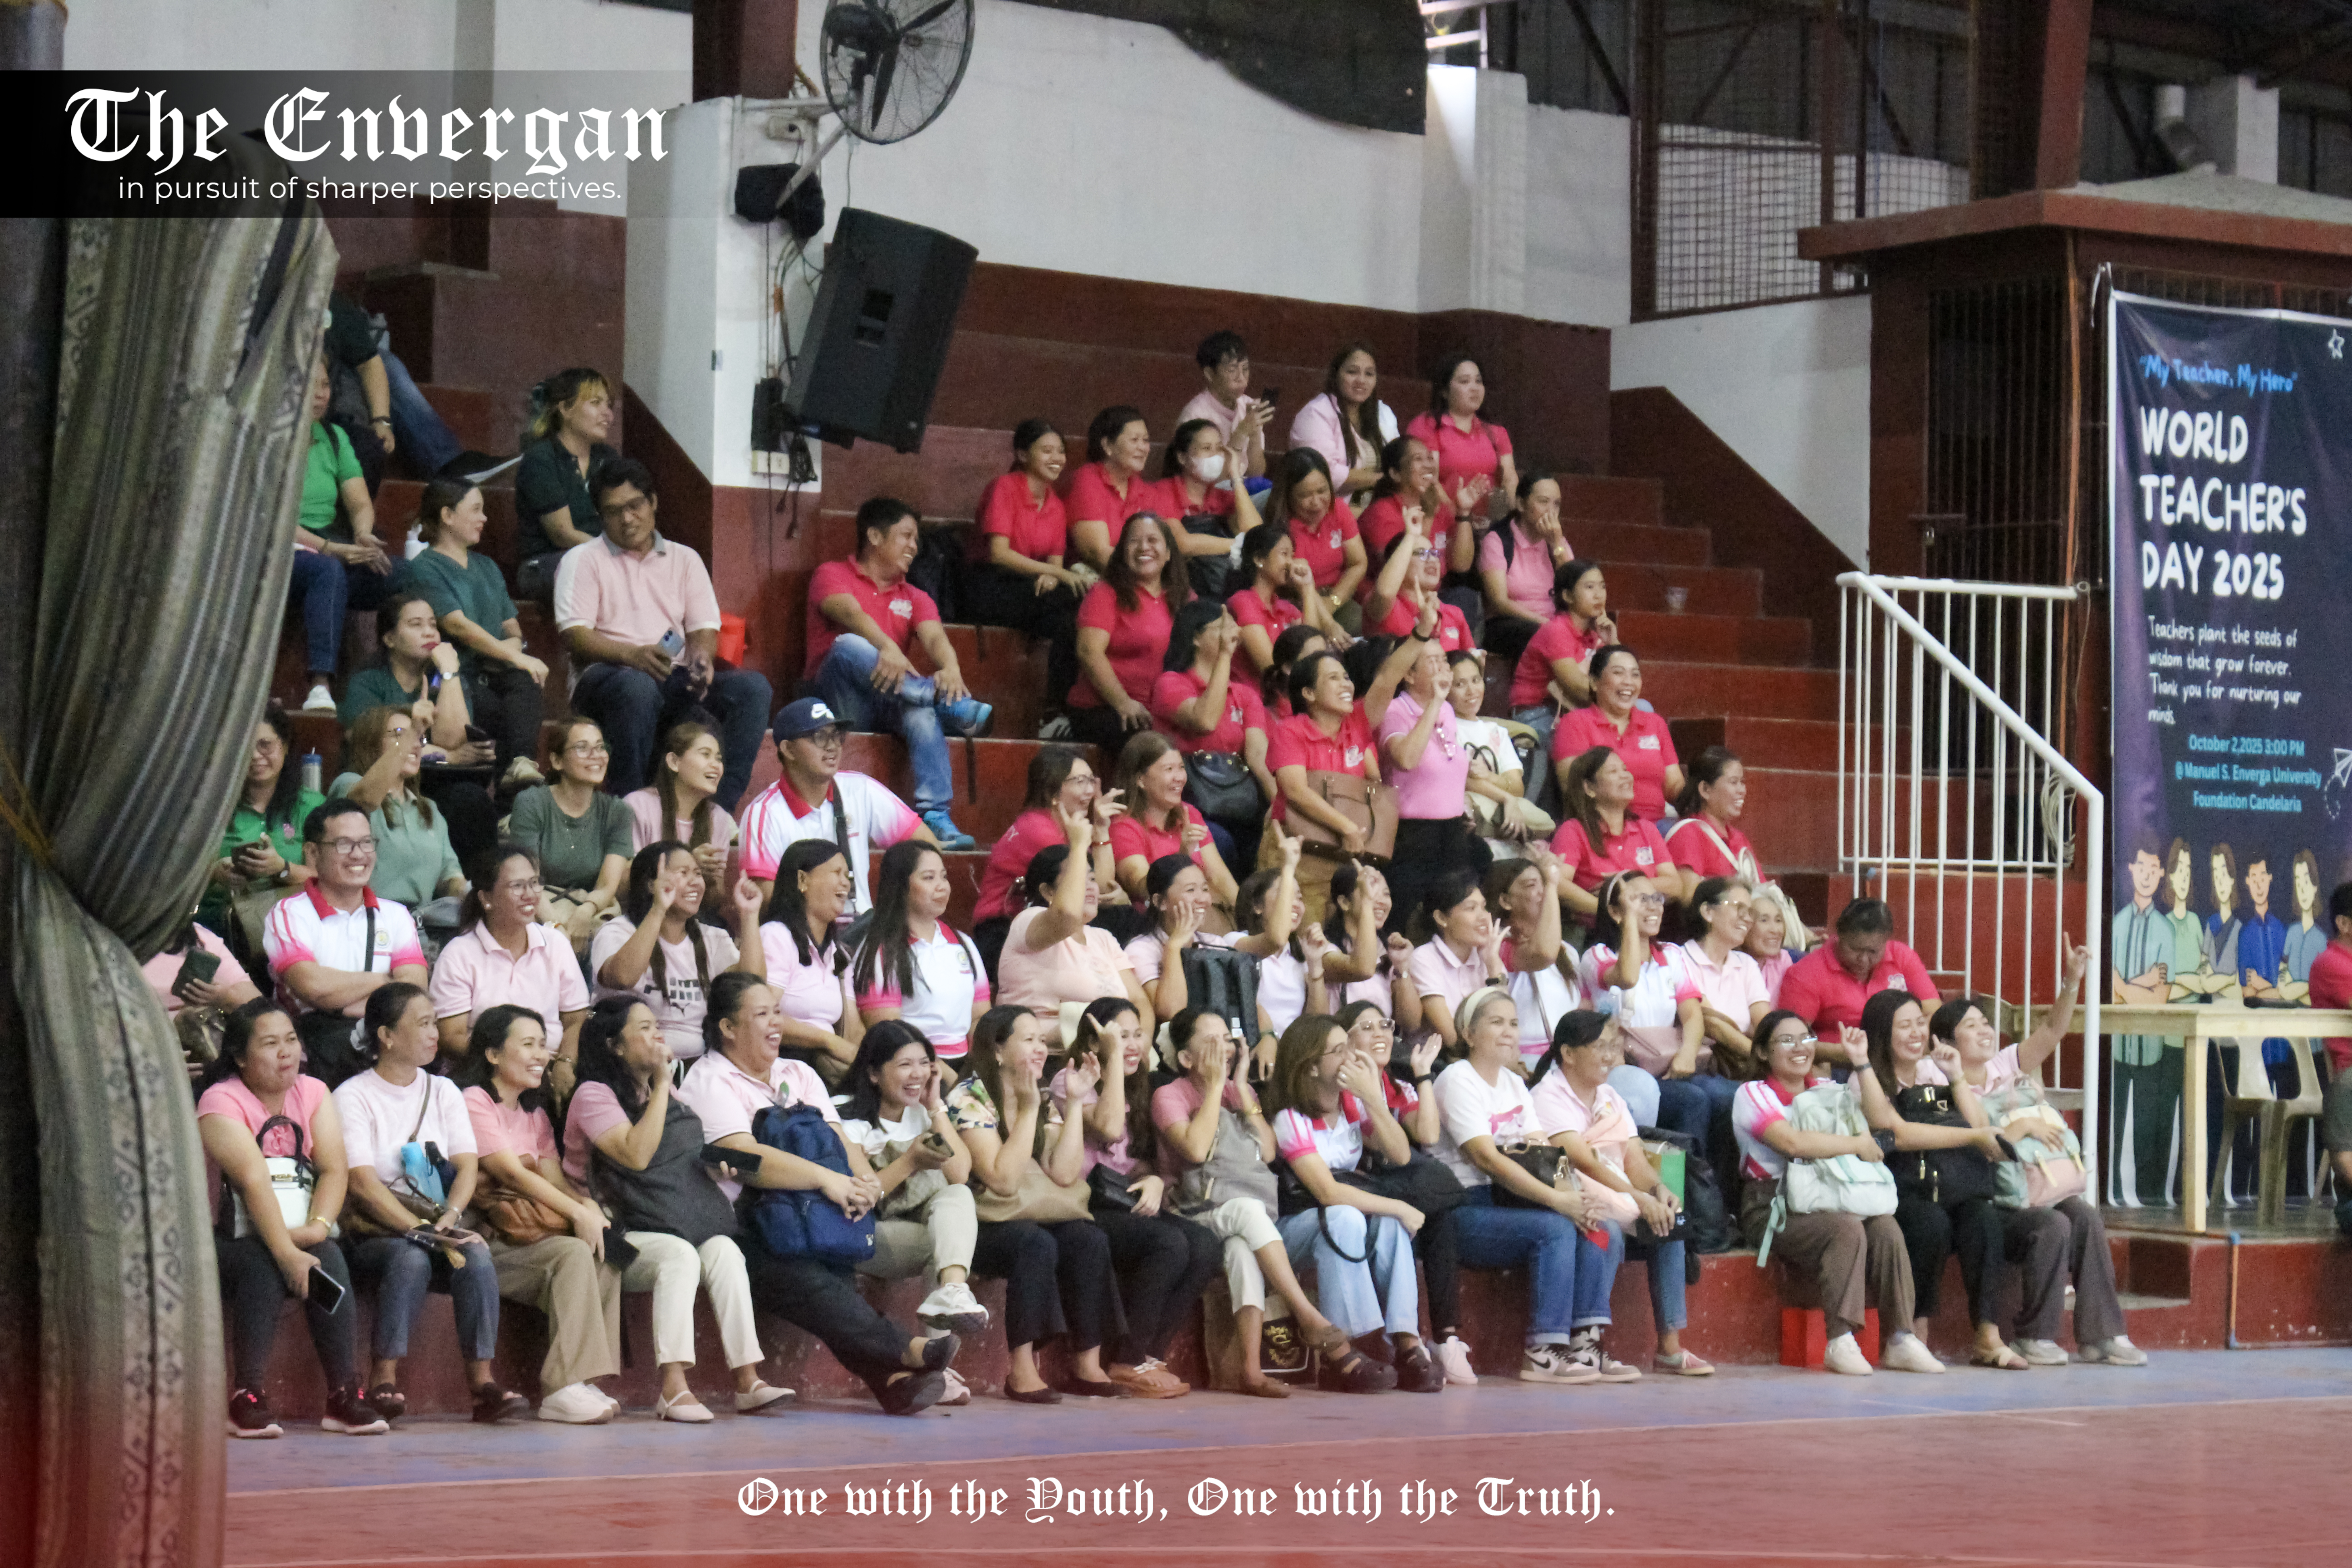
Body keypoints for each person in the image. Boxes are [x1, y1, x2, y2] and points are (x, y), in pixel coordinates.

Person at [681, 974, 959, 1413]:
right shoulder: (709, 1079)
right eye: (761, 1015)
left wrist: (860, 1183)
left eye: (777, 1012)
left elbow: (839, 1143)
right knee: (806, 1279)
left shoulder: (799, 1072)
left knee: (830, 1270)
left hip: (810, 1213)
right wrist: (825, 1180)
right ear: (728, 1028)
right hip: (742, 1223)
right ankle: (906, 1349)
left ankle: (893, 1382)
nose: (776, 1023)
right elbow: (745, 1158)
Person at [564, 998, 794, 1420]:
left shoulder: (658, 1089)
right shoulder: (593, 1094)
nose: (659, 1036)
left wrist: (710, 1166)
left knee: (725, 1249)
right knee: (679, 1255)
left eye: (658, 1027)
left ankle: (748, 1379)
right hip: (613, 1231)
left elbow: (669, 1158)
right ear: (615, 1046)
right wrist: (661, 1082)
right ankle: (673, 1388)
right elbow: (636, 1156)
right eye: (646, 1029)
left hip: (665, 1215)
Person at [1151, 1009, 1400, 1393]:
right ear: (1186, 1058)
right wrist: (1216, 1088)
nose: (1226, 1048)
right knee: (1247, 1213)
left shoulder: (1243, 1092)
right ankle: (1307, 1315)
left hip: (1242, 1219)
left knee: (1241, 1250)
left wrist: (1238, 1085)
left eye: (1227, 1038)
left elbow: (1267, 1152)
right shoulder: (1168, 1095)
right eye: (1211, 1042)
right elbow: (1196, 1151)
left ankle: (1250, 1371)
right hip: (1193, 1212)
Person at [1926, 955, 2145, 1367]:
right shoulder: (1937, 1078)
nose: (1985, 1031)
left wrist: (2072, 980)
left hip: (2032, 1187)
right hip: (1990, 1202)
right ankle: (2034, 1336)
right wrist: (2021, 1124)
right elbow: (1978, 1143)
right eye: (1971, 1026)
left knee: (2084, 1215)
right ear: (1947, 1042)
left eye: (1986, 1023)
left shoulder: (2003, 1064)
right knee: (2054, 1224)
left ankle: (2103, 1335)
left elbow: (2052, 1030)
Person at [333, 983, 530, 1423]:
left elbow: (466, 1167)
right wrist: (415, 1229)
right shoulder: (353, 1095)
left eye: (434, 1021)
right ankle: (383, 1379)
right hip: (378, 1230)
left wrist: (452, 1218)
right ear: (386, 1036)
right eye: (422, 1023)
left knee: (475, 1254)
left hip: (435, 1225)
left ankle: (483, 1385)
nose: (434, 1032)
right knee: (411, 1259)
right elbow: (362, 1183)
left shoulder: (443, 1091)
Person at [199, 1000, 387, 1438]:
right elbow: (252, 1179)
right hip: (224, 1236)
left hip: (298, 1226)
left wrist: (319, 1227)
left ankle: (344, 1393)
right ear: (241, 1057)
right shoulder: (220, 1101)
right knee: (260, 1264)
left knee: (329, 1256)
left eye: (290, 1040)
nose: (286, 1052)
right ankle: (246, 1395)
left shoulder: (313, 1092)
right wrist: (285, 1252)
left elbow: (334, 1169)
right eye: (270, 1044)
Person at [1433, 987, 1631, 1382]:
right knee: (1557, 1228)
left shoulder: (1512, 1083)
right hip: (1465, 1208)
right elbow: (1486, 1159)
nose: (1509, 1032)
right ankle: (1544, 1351)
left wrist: (1573, 1197)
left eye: (1514, 1023)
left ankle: (1585, 1345)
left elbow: (1545, 1153)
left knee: (1603, 1228)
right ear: (1469, 1034)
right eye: (1496, 1023)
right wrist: (1561, 1205)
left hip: (1514, 1200)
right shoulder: (1457, 1079)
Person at [1730, 1010, 1941, 1376]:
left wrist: (1860, 1063)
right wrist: (1855, 1144)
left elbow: (1879, 1122)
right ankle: (1841, 1339)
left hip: (1833, 1194)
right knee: (1845, 1229)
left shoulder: (1828, 1090)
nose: (1800, 1048)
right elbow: (1793, 1142)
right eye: (1786, 1041)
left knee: (1887, 1229)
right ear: (1763, 1052)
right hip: (1773, 1205)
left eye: (1807, 1038)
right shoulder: (1753, 1094)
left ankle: (1902, 1338)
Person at [1267, 1010, 1475, 1383]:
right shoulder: (1290, 1118)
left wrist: (1372, 1099)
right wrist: (1399, 1205)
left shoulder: (1350, 1108)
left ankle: (1407, 1342)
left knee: (1386, 1224)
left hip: (1338, 1218)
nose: (1350, 1055)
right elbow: (1327, 1193)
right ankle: (1340, 1350)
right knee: (1347, 1216)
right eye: (1338, 1050)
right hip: (1294, 1227)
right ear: (1312, 1067)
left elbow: (1401, 1155)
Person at [555, 457, 772, 812]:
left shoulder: (685, 559)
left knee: (752, 689)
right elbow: (575, 636)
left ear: (653, 502)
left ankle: (717, 810)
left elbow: (704, 627)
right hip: (607, 677)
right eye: (613, 512)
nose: (626, 519)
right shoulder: (583, 560)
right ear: (600, 516)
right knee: (637, 686)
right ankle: (631, 809)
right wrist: (632, 656)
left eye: (634, 506)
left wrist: (702, 658)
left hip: (671, 675)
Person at [451, 1005, 625, 1423]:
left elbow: (554, 1181)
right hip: (491, 1240)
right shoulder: (474, 1101)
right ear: (493, 1054)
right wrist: (575, 1213)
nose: (541, 1055)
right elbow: (508, 1171)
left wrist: (587, 1208)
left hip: (531, 1235)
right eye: (527, 1044)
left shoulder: (536, 1113)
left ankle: (582, 1377)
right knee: (572, 1253)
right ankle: (561, 1387)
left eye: (543, 1045)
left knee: (606, 1247)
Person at [947, 1005, 1129, 1400]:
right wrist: (1029, 1110)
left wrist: (1077, 1103)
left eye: (1043, 1041)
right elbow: (1002, 1181)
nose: (1040, 1049)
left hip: (1026, 1214)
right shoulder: (969, 1097)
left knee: (1088, 1239)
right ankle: (1023, 1369)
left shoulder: (1042, 1096)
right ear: (997, 1050)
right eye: (1028, 1040)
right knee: (1036, 1244)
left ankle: (1087, 1364)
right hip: (985, 1223)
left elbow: (1064, 1174)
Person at [1531, 1013, 1713, 1375]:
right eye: (1600, 1047)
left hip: (1620, 1191)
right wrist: (1638, 1198)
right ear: (1568, 1053)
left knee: (1669, 1222)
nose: (1611, 1056)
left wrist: (1658, 1191)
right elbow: (1583, 1161)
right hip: (1574, 1191)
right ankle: (1587, 1343)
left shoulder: (1611, 1096)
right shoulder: (1547, 1096)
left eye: (1613, 1047)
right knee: (1605, 1231)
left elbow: (1633, 1158)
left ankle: (1669, 1349)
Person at [1857, 989, 2031, 1370]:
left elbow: (1984, 1130)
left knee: (1983, 1219)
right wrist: (1970, 1138)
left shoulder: (1935, 1070)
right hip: (1900, 1188)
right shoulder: (1867, 1078)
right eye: (1905, 1025)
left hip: (1952, 1183)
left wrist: (1955, 1079)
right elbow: (1897, 1133)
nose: (1918, 1032)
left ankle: (1988, 1337)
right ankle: (1914, 1335)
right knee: (1929, 1223)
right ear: (1882, 1034)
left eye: (1921, 1022)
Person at [806, 497, 993, 848]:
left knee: (919, 710)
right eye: (906, 536)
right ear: (874, 537)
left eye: (916, 539)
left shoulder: (915, 595)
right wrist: (887, 646)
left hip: (893, 697)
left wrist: (950, 667)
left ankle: (936, 816)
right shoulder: (831, 574)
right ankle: (938, 700)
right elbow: (850, 614)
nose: (915, 546)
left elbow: (935, 636)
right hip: (843, 704)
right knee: (847, 645)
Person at [836, 1024, 991, 1341]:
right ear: (874, 1074)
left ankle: (953, 1293)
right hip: (864, 1231)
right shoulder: (844, 1117)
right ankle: (938, 1362)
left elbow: (960, 1174)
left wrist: (935, 1106)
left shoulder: (924, 1112)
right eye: (905, 1065)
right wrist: (909, 1161)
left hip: (915, 1229)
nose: (917, 1074)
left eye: (924, 1064)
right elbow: (867, 1196)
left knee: (958, 1197)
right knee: (945, 1247)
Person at [262, 801, 431, 1081]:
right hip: (313, 1057)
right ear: (313, 853)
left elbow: (413, 992)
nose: (359, 855)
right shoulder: (288, 913)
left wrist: (340, 998)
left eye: (367, 843)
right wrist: (384, 981)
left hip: (385, 1048)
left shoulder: (396, 915)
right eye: (344, 844)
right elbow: (313, 987)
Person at [406, 475, 549, 791]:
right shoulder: (426, 567)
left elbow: (512, 628)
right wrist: (510, 654)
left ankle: (521, 767)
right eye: (476, 510)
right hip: (456, 675)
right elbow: (456, 625)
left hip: (494, 669)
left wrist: (510, 654)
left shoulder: (487, 566)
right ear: (447, 515)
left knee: (526, 679)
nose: (484, 518)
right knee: (499, 707)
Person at [335, 595, 499, 863]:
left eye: (433, 625)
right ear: (389, 639)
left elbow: (452, 738)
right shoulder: (368, 683)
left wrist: (449, 671)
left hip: (431, 781)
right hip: (379, 781)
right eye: (415, 624)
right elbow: (373, 743)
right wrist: (450, 756)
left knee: (471, 800)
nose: (429, 632)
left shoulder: (447, 680)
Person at [739, 696, 932, 919]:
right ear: (789, 750)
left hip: (861, 932)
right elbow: (764, 896)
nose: (833, 747)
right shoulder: (764, 813)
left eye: (836, 736)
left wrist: (893, 912)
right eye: (819, 737)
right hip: (800, 938)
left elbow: (926, 845)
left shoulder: (861, 789)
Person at [590, 842, 766, 1063]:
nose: (695, 882)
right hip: (628, 1064)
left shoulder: (712, 938)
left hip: (699, 1063)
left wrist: (749, 915)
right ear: (650, 884)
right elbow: (623, 978)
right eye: (683, 873)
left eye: (698, 874)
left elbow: (752, 989)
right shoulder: (618, 931)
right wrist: (658, 909)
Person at [289, 355, 395, 715]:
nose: (321, 394)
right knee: (328, 571)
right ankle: (321, 684)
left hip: (327, 542)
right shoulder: (271, 438)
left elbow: (360, 503)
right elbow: (274, 517)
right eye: (311, 384)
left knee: (401, 575)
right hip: (280, 549)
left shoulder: (333, 437)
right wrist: (330, 549)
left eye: (325, 385)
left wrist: (363, 534)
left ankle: (397, 683)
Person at [429, 843, 590, 1077]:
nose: (530, 894)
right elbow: (451, 1037)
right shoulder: (459, 955)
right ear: (486, 898)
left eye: (535, 883)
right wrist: (512, 1066)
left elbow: (576, 1020)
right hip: (484, 1075)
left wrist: (565, 1063)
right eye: (517, 886)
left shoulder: (555, 943)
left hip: (549, 1070)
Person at [1579, 870, 1714, 1139]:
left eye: (1657, 897)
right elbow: (1627, 977)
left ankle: (1704, 1179)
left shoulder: (1672, 954)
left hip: (1670, 1063)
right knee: (1693, 1100)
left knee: (1721, 1096)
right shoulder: (1597, 955)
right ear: (1616, 913)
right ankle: (1679, 1178)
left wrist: (1687, 1055)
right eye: (1641, 900)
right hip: (1620, 1066)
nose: (1654, 906)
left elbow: (1691, 1015)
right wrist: (1630, 919)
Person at [965, 419, 1087, 713]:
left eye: (1061, 451)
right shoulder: (1004, 488)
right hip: (991, 585)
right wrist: (1054, 573)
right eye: (1047, 451)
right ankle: (1058, 709)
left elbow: (1056, 560)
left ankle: (1057, 710)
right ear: (1022, 455)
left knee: (1075, 621)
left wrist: (1054, 576)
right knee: (1070, 605)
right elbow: (999, 554)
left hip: (1029, 587)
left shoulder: (1056, 504)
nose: (1057, 459)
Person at [998, 809, 1154, 1032]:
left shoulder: (1103, 938)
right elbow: (1067, 916)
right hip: (1047, 1057)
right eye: (1078, 879)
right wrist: (1079, 846)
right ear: (1049, 893)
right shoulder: (1027, 921)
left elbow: (1140, 1002)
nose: (1090, 886)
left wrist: (1141, 1048)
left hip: (1109, 1054)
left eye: (1091, 878)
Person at [1152, 601, 1279, 867]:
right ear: (1196, 637)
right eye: (1222, 627)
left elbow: (1257, 756)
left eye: (1233, 626)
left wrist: (1280, 808)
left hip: (1241, 802)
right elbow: (1205, 720)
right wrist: (1224, 656)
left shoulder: (1245, 694)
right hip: (1189, 803)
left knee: (1269, 841)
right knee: (1220, 842)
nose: (1232, 633)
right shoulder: (1171, 683)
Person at [1263, 651, 1380, 925]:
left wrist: (1420, 635)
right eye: (1333, 678)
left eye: (1347, 677)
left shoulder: (1356, 726)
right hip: (1297, 849)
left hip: (1344, 852)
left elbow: (1387, 680)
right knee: (1303, 937)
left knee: (1344, 938)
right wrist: (1347, 826)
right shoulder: (1290, 730)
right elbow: (1295, 791)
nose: (1346, 685)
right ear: (1309, 693)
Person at [1124, 844, 1299, 1026]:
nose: (1203, 899)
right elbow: (1171, 1012)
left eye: (1205, 889)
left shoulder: (1213, 942)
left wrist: (1267, 1036)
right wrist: (1174, 946)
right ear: (1160, 902)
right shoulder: (1141, 949)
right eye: (1191, 890)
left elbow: (1273, 943)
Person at [1380, 637, 1487, 934]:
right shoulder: (1395, 711)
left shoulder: (1447, 713)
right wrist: (1436, 702)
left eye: (1444, 660)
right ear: (1409, 675)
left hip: (1451, 828)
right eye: (1432, 661)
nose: (1443, 667)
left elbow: (1448, 770)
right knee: (1403, 917)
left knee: (1455, 910)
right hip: (1412, 833)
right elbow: (1407, 759)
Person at [854, 840, 992, 1063]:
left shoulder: (962, 943)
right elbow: (889, 1037)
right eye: (929, 878)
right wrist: (948, 1078)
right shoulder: (880, 952)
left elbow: (979, 1019)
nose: (943, 886)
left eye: (944, 876)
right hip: (913, 1069)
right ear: (901, 885)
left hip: (964, 1064)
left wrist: (977, 1075)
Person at [1068, 512, 1192, 751]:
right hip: (1108, 709)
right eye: (1134, 541)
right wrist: (1124, 703)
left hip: (1164, 710)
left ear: (1168, 554)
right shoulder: (1105, 593)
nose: (1144, 547)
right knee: (1156, 750)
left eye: (1153, 540)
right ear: (1123, 552)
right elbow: (1088, 652)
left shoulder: (1185, 599)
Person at [506, 718, 632, 949]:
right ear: (557, 761)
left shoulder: (618, 811)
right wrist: (555, 927)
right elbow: (526, 878)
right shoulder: (532, 803)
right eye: (582, 748)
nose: (596, 755)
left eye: (601, 747)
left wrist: (584, 914)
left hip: (591, 909)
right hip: (535, 907)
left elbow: (607, 886)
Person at [330, 706, 470, 914]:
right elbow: (365, 800)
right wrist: (414, 730)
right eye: (400, 735)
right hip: (362, 920)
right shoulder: (348, 784)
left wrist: (475, 895)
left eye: (420, 738)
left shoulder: (430, 809)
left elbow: (450, 877)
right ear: (371, 743)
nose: (415, 745)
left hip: (418, 927)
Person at [201, 709, 323, 939]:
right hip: (222, 923)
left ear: (285, 747)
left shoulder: (310, 805)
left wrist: (282, 868)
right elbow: (183, 867)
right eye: (246, 746)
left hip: (295, 927)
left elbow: (327, 881)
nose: (256, 755)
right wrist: (215, 871)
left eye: (265, 745)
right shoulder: (214, 806)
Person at [972, 746, 1120, 933]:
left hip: (1040, 920)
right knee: (1121, 920)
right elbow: (1097, 886)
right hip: (1001, 928)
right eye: (1080, 782)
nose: (1090, 790)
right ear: (1053, 792)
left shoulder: (1067, 826)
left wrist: (1101, 828)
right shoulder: (1037, 829)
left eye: (1092, 780)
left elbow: (1101, 886)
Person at [758, 840, 867, 1080]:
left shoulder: (839, 953)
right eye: (836, 873)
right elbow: (760, 1017)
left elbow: (853, 1029)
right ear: (802, 881)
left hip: (822, 1071)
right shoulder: (776, 936)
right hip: (780, 1067)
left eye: (847, 875)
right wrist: (826, 1040)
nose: (845, 883)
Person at [513, 367, 619, 600]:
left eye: (608, 405)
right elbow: (563, 534)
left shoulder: (608, 459)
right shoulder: (542, 459)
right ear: (565, 409)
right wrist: (617, 557)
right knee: (603, 573)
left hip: (602, 560)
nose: (608, 414)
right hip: (545, 563)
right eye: (596, 403)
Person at [1109, 730, 1240, 910]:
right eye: (1169, 770)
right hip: (1157, 926)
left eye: (1181, 768)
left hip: (1204, 917)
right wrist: (1182, 857)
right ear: (1141, 780)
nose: (1179, 778)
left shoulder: (1189, 813)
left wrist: (1247, 922)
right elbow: (1141, 888)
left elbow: (1220, 878)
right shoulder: (1124, 827)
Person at [1508, 560, 1616, 776]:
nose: (1599, 595)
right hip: (1537, 713)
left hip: (1573, 709)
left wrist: (1612, 642)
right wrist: (1617, 702)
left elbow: (1621, 675)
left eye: (1602, 586)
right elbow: (1575, 685)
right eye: (1590, 587)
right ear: (1567, 596)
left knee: (1641, 710)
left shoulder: (1595, 633)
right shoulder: (1558, 630)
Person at [1551, 646, 1681, 823]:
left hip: (1657, 826)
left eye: (1635, 675)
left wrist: (1704, 795)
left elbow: (1674, 785)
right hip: (1605, 825)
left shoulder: (1655, 723)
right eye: (1618, 673)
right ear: (1594, 683)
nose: (1629, 682)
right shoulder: (1575, 723)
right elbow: (1573, 787)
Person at [1551, 746, 1680, 921]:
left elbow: (1675, 885)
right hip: (1594, 933)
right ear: (1589, 788)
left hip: (1645, 927)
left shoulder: (1646, 829)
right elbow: (1557, 884)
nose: (1626, 776)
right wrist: (1609, 909)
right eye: (1613, 771)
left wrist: (1622, 886)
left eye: (1625, 770)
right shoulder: (1573, 830)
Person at [1778, 897, 1940, 1034]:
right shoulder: (1807, 973)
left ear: (1886, 941)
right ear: (1839, 936)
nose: (1863, 959)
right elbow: (1791, 1037)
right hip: (1839, 1063)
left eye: (1873, 952)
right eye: (1855, 949)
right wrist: (1856, 1054)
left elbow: (1932, 1013)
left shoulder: (1902, 957)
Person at [624, 720, 738, 914]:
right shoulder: (638, 805)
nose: (716, 766)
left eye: (718, 759)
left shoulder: (718, 818)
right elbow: (625, 884)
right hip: (643, 916)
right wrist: (690, 865)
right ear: (674, 762)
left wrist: (705, 878)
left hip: (692, 920)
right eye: (705, 755)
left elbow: (715, 898)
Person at [1676, 877, 1773, 1094]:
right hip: (1703, 1066)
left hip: (1739, 1065)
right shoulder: (1680, 959)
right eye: (1738, 908)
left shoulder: (1746, 964)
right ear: (1708, 912)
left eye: (1750, 912)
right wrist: (1770, 1063)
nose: (1747, 919)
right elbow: (1713, 1026)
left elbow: (1765, 1026)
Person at [1486, 856, 1582, 1067]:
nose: (1542, 891)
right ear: (1505, 901)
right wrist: (1552, 885)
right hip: (1521, 1060)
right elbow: (1544, 953)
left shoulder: (1569, 951)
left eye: (1543, 883)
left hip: (1567, 1056)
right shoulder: (1498, 945)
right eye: (1532, 885)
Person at [1479, 471, 1576, 669]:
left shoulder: (1557, 542)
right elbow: (1499, 602)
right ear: (1522, 505)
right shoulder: (1498, 540)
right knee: (1537, 634)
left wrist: (1557, 542)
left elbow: (1575, 589)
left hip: (1553, 624)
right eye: (1543, 502)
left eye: (1556, 504)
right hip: (1508, 624)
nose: (1551, 511)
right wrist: (1546, 624)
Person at [1406, 354, 1518, 525]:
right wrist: (1461, 517)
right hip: (1442, 522)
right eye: (1465, 382)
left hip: (1488, 525)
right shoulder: (1427, 425)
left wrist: (1506, 520)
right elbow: (1429, 479)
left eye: (1479, 382)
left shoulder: (1496, 432)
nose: (1475, 388)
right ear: (1444, 391)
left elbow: (1510, 478)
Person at [1156, 416, 1265, 590]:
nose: (1215, 456)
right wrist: (1239, 545)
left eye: (1219, 449)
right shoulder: (1163, 492)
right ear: (1183, 457)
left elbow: (1256, 534)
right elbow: (1183, 544)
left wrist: (1236, 477)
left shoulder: (1223, 496)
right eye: (1207, 449)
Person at [1226, 522, 1343, 678]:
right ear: (1259, 559)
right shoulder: (1243, 602)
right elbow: (1271, 669)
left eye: (1292, 555)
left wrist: (1307, 589)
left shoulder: (1286, 608)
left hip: (1292, 694)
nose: (1291, 562)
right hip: (1259, 698)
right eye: (1284, 554)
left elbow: (1314, 652)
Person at [1288, 341, 1398, 503]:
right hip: (1330, 509)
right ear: (1336, 375)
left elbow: (1398, 459)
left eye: (1369, 374)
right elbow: (1323, 474)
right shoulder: (1315, 413)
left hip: (1379, 507)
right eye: (1352, 372)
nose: (1361, 380)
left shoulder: (1383, 412)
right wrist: (1385, 479)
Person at [1264, 447, 1366, 620]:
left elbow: (1358, 563)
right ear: (1288, 495)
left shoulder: (1339, 509)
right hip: (1295, 603)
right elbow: (1293, 587)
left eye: (1322, 491)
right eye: (1305, 495)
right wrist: (1326, 618)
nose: (1317, 503)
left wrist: (1334, 601)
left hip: (1336, 595)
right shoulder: (1279, 527)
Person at [1064, 405, 1162, 569]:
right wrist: (1147, 579)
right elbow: (1097, 553)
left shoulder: (1143, 489)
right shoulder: (1087, 480)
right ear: (1108, 446)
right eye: (1134, 440)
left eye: (1146, 440)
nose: (1143, 448)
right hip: (1099, 578)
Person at [1361, 513, 1475, 651]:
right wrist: (1410, 537)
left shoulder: (1454, 614)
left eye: (1434, 554)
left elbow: (1470, 660)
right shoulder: (1388, 607)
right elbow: (1385, 593)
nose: (1432, 560)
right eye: (1422, 553)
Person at [1176, 329, 1274, 480]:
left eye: (1246, 369)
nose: (1241, 378)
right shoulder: (1194, 416)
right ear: (1210, 374)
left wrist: (1254, 433)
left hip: (1243, 491)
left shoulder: (1248, 405)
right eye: (1232, 370)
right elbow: (1213, 480)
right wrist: (1242, 432)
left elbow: (1257, 474)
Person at [1665, 747, 1761, 901]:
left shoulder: (1739, 838)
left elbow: (1761, 891)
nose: (1742, 790)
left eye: (1742, 783)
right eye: (1733, 782)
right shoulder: (1688, 833)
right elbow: (1690, 899)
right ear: (1705, 790)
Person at [1744, 881, 1811, 1004]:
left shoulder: (1784, 961)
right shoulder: (1732, 964)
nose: (1775, 930)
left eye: (1778, 920)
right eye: (1764, 920)